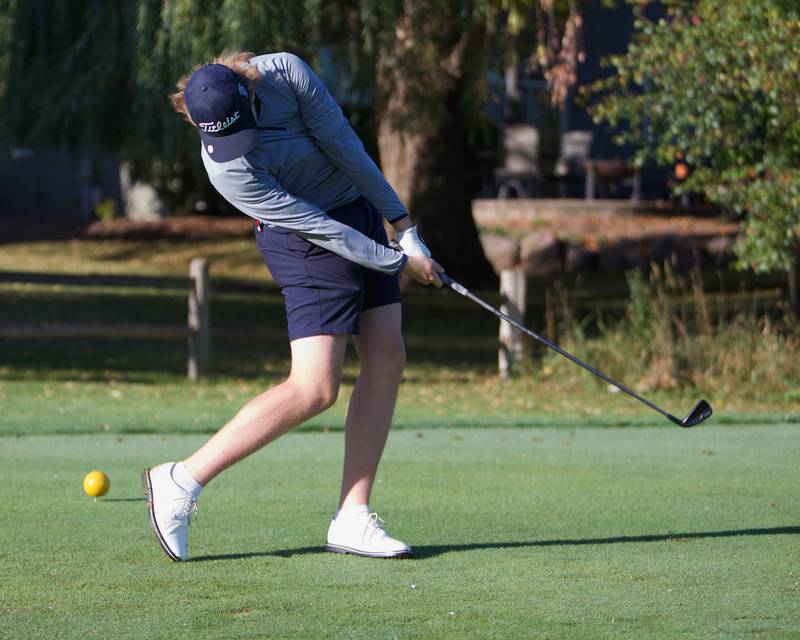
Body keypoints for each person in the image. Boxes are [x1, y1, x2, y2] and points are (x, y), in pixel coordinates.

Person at [142, 51, 444, 562]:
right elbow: (314, 225)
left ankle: (352, 515)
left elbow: (344, 146)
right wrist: (397, 263)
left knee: (387, 355)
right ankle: (182, 479)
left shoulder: (285, 73)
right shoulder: (226, 169)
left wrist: (404, 226)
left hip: (358, 209)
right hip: (302, 241)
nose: (239, 146)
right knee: (315, 388)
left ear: (250, 94)